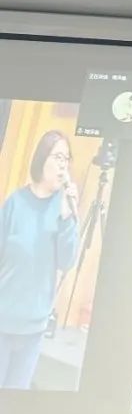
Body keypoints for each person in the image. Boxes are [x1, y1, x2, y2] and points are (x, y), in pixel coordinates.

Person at [0, 130, 80, 389]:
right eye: (57, 157)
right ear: (42, 158)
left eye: (66, 159)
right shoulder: (15, 202)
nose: (63, 165)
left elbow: (67, 262)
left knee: (17, 397)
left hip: (34, 328)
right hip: (3, 319)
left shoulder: (64, 209)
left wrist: (67, 218)